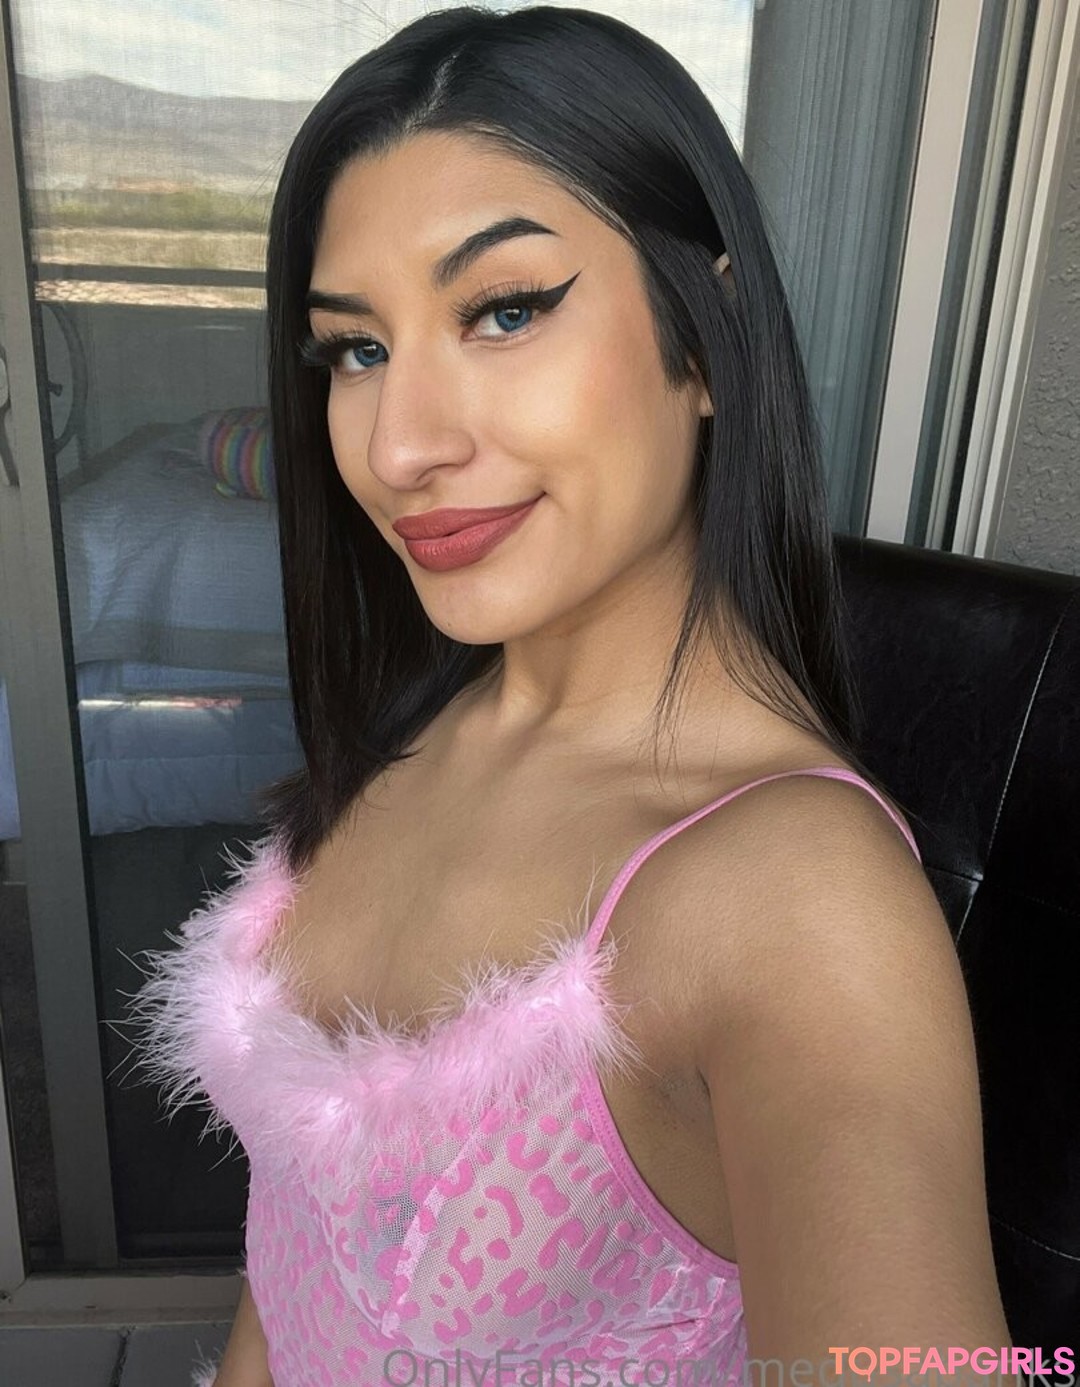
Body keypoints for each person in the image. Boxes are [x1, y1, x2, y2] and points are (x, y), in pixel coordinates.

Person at [130, 7, 1013, 1385]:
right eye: (356, 350)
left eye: (504, 311)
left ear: (704, 339)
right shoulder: (413, 730)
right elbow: (288, 1270)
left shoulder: (797, 906)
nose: (401, 445)